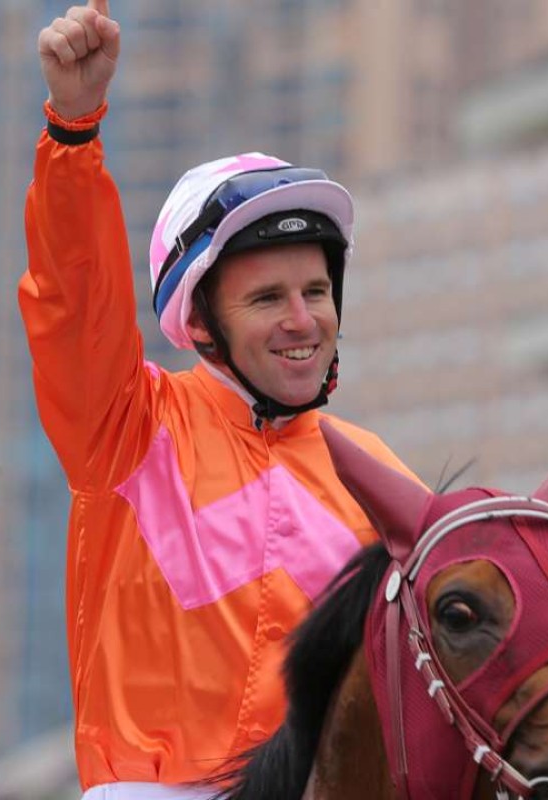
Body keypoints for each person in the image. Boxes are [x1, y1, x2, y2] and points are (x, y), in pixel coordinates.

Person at [21, 2, 417, 797]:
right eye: (268, 298)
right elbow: (74, 298)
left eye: (315, 290)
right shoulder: (127, 430)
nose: (304, 320)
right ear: (199, 323)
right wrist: (73, 128)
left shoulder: (373, 470)